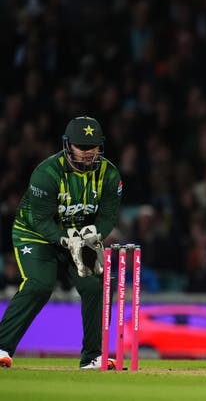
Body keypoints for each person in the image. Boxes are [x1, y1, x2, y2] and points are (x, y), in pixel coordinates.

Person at [0, 116, 122, 369]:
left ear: (101, 146)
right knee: (40, 285)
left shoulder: (109, 174)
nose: (88, 154)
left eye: (93, 147)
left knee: (95, 287)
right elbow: (41, 220)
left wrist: (92, 235)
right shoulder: (46, 174)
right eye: (82, 148)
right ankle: (2, 347)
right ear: (68, 145)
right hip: (35, 233)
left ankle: (92, 357)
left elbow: (108, 215)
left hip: (80, 235)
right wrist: (67, 240)